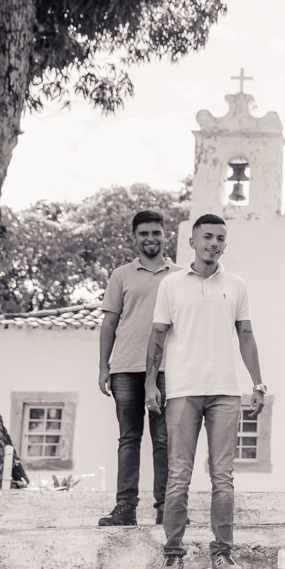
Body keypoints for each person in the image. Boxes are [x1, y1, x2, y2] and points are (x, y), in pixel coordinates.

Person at [144, 213, 266, 569]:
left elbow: (246, 335)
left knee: (222, 476)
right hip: (182, 390)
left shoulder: (237, 284)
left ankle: (222, 555)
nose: (214, 243)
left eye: (220, 238)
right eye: (208, 237)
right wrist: (150, 383)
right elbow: (157, 335)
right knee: (178, 476)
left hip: (225, 391)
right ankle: (173, 555)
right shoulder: (171, 284)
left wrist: (258, 383)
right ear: (193, 242)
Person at [97, 210, 181, 527]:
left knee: (164, 441)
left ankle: (165, 508)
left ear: (165, 235)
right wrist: (103, 367)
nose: (150, 238)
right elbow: (109, 324)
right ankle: (125, 508)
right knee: (129, 439)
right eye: (143, 233)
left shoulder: (180, 276)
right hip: (125, 367)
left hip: (166, 369)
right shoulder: (121, 275)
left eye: (156, 232)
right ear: (134, 237)